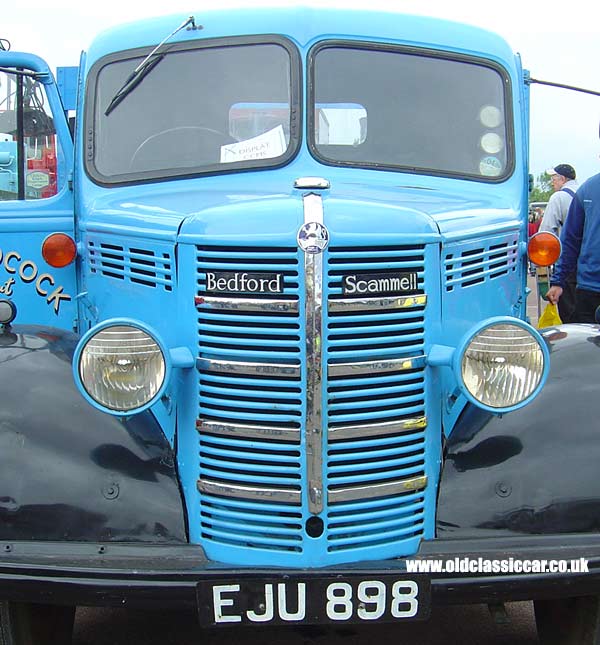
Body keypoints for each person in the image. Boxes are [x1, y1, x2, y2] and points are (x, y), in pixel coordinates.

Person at [546, 167, 600, 323]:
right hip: (590, 289)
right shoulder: (587, 189)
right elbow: (570, 240)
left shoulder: (586, 188)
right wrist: (558, 281)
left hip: (589, 285)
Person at [540, 164, 578, 322]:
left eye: (554, 179)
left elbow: (546, 232)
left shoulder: (559, 197)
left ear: (562, 179)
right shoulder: (584, 192)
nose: (552, 182)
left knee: (570, 314)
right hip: (590, 263)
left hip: (569, 264)